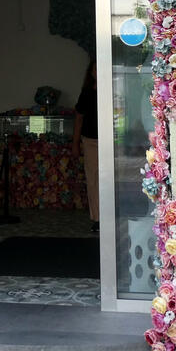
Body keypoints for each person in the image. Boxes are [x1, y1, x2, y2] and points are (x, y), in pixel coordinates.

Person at [72, 60, 99, 233]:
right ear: (91, 72)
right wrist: (75, 144)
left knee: (110, 179)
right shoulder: (87, 93)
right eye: (95, 68)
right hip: (90, 141)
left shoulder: (113, 90)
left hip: (111, 142)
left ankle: (112, 215)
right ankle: (97, 218)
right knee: (93, 180)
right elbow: (79, 119)